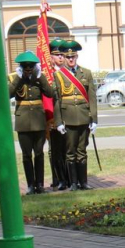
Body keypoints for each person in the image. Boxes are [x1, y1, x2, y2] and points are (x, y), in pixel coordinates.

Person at [53, 40, 98, 190]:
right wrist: (58, 122)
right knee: (70, 152)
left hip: (84, 117)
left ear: (77, 57)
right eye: (68, 57)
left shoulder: (86, 73)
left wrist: (94, 118)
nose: (71, 59)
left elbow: (92, 97)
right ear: (64, 58)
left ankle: (83, 182)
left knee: (82, 151)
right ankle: (73, 183)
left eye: (73, 57)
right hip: (68, 118)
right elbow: (57, 100)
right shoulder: (58, 75)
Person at [9, 51, 54, 195]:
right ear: (21, 67)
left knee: (39, 153)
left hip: (38, 120)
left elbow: (50, 93)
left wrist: (40, 78)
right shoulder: (14, 78)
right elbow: (8, 93)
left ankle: (40, 184)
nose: (29, 70)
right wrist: (19, 78)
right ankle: (30, 185)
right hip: (23, 121)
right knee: (26, 155)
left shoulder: (39, 77)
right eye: (26, 68)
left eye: (31, 67)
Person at [48, 38, 70, 189]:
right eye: (57, 55)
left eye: (62, 55)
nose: (61, 58)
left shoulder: (71, 73)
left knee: (69, 149)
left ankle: (70, 178)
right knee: (55, 150)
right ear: (50, 57)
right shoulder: (47, 74)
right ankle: (58, 178)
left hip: (69, 116)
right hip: (53, 118)